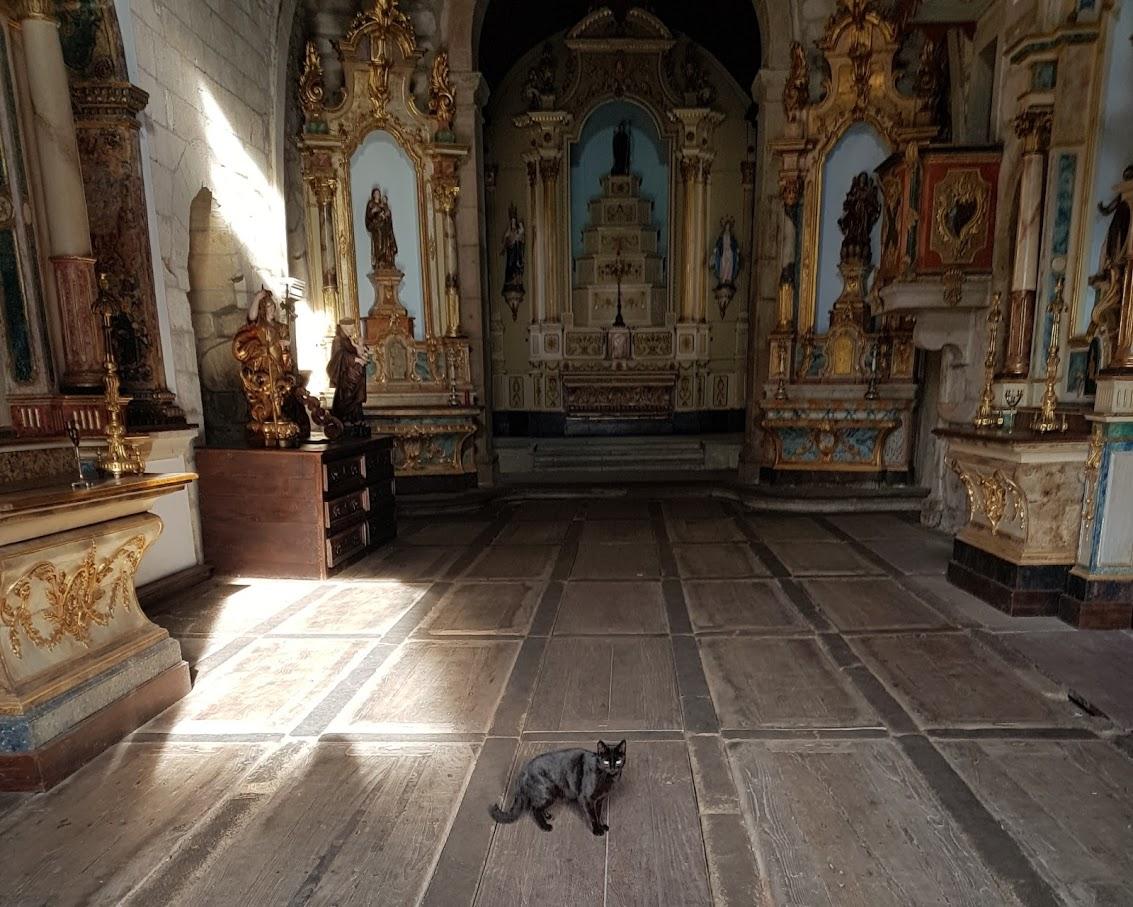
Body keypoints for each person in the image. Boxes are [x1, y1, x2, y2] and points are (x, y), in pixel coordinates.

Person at [327, 321, 367, 425]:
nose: (353, 330)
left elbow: (356, 351)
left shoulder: (348, 340)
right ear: (345, 327)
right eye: (351, 328)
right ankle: (345, 419)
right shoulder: (338, 340)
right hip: (345, 376)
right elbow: (340, 355)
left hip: (354, 376)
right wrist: (356, 360)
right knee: (346, 397)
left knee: (355, 399)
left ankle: (355, 419)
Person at [365, 187, 398, 270]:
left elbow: (388, 216)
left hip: (385, 228)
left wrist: (386, 214)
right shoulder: (371, 204)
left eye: (378, 193)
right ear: (373, 195)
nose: (377, 195)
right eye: (376, 193)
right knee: (379, 243)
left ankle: (387, 260)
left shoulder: (383, 205)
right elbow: (369, 216)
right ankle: (379, 260)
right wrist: (375, 212)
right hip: (377, 228)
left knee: (387, 242)